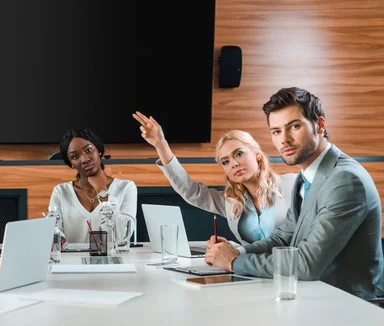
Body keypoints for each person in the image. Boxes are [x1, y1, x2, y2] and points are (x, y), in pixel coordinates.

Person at [204, 87, 384, 299]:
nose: (284, 139)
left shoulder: (345, 180)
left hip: (350, 306)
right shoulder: (305, 176)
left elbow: (308, 264)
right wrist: (236, 251)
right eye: (276, 131)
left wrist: (234, 262)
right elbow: (283, 238)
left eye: (294, 126)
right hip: (315, 297)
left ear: (320, 125)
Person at [133, 112, 297, 245]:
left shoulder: (293, 185)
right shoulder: (231, 202)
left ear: (258, 155)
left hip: (294, 276)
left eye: (239, 154)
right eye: (225, 161)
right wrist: (161, 145)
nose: (234, 163)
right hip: (253, 275)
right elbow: (191, 192)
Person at [49, 127, 137, 243]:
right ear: (71, 164)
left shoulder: (126, 187)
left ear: (99, 151)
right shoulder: (61, 191)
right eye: (75, 157)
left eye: (89, 150)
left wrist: (103, 193)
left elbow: (123, 236)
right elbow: (53, 231)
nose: (84, 159)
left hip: (112, 260)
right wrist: (54, 235)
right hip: (72, 260)